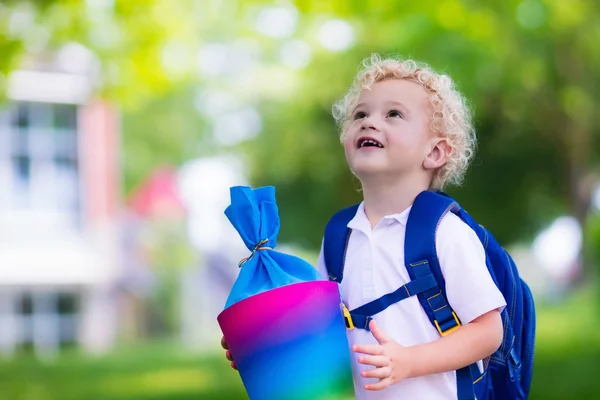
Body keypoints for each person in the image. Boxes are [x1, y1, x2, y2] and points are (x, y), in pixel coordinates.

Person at [224, 54, 506, 399]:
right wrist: (265, 343)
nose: (369, 122)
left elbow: (489, 332)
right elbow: (323, 332)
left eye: (393, 114)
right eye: (360, 114)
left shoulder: (445, 233)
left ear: (435, 152)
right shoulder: (339, 237)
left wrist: (409, 361)